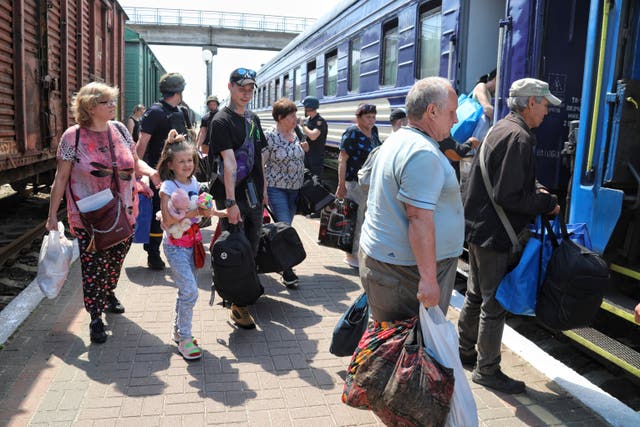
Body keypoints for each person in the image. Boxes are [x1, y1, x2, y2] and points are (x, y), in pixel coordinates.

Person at [458, 77, 561, 394]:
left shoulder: (500, 128)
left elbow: (502, 183)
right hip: (496, 235)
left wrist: (533, 189)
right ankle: (487, 370)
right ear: (531, 102)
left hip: (478, 229)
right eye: (544, 105)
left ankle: (463, 350)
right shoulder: (521, 138)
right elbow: (509, 195)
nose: (546, 112)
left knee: (476, 294)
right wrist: (548, 203)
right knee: (494, 303)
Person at [45, 82, 160, 343]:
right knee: (94, 266)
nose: (113, 105)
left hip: (125, 211)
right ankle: (95, 316)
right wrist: (53, 215)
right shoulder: (72, 137)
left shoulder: (119, 129)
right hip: (90, 216)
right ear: (89, 106)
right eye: (107, 102)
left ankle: (108, 292)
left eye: (113, 101)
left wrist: (149, 172)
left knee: (115, 261)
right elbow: (61, 178)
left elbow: (134, 160)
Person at [359, 76, 464, 321]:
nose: (456, 119)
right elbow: (418, 218)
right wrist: (428, 281)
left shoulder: (398, 139)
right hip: (406, 274)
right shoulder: (423, 153)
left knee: (390, 344)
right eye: (452, 112)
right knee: (408, 350)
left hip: (389, 265)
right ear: (432, 111)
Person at [156, 129, 225, 360]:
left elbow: (202, 209)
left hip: (193, 243)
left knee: (186, 292)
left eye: (190, 160)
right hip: (175, 245)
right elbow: (167, 220)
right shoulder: (168, 187)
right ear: (171, 165)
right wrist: (195, 211)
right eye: (181, 161)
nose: (187, 165)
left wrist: (222, 213)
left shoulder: (194, 182)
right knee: (190, 292)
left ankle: (179, 331)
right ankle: (185, 338)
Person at [209, 67, 267, 329]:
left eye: (250, 89)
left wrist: (264, 190)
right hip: (232, 194)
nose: (246, 93)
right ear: (230, 87)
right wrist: (230, 203)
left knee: (252, 242)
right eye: (241, 88)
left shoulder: (253, 119)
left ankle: (243, 287)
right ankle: (237, 304)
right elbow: (229, 163)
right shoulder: (221, 121)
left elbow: (259, 158)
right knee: (235, 244)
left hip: (253, 192)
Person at [137, 72, 194, 270]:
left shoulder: (181, 111)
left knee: (182, 210)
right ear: (180, 90)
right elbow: (142, 143)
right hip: (158, 174)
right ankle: (153, 253)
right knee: (157, 213)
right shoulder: (155, 112)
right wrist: (138, 170)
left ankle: (182, 247)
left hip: (179, 173)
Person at [263, 98, 309, 287]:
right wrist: (264, 188)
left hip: (295, 189)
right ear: (280, 117)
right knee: (284, 227)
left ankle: (280, 261)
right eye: (292, 116)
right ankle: (287, 269)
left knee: (286, 225)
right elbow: (261, 162)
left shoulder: (295, 134)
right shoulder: (270, 136)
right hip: (276, 188)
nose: (295, 119)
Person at [336, 103, 381, 268]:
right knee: (354, 218)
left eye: (373, 117)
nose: (371, 120)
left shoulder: (374, 131)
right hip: (354, 183)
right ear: (359, 117)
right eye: (368, 117)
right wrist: (341, 185)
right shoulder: (352, 133)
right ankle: (350, 255)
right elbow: (342, 159)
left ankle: (361, 250)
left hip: (370, 183)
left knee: (367, 218)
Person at [299, 96, 328, 181]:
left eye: (304, 107)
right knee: (306, 180)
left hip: (316, 156)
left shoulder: (320, 121)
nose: (304, 109)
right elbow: (305, 136)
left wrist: (303, 125)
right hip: (307, 155)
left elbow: (313, 136)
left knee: (315, 182)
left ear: (309, 107)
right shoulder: (308, 120)